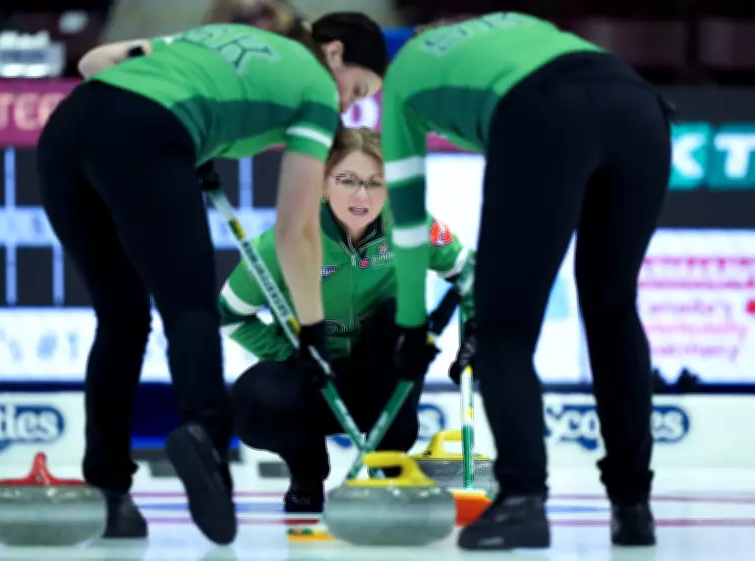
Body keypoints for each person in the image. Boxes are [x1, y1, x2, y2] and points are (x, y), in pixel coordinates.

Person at [36, 13, 387, 544]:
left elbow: (94, 62)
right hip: (150, 133)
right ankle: (205, 435)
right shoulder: (316, 91)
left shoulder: (229, 36)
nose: (347, 105)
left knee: (122, 319)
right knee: (190, 306)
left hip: (66, 130)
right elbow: (297, 231)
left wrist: (193, 141)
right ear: (334, 53)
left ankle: (110, 495)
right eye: (356, 89)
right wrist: (312, 331)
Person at [380, 13, 674, 550]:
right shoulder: (514, 25)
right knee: (612, 310)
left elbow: (407, 220)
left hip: (544, 108)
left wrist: (410, 323)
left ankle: (521, 501)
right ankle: (633, 507)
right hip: (639, 105)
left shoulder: (405, 72)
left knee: (503, 331)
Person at [218, 127, 476, 512]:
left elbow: (470, 276)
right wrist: (292, 352)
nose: (363, 195)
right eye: (348, 180)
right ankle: (306, 473)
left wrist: (475, 335)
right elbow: (229, 317)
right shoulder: (284, 242)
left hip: (382, 373)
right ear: (323, 184)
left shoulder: (411, 225)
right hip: (312, 380)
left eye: (376, 183)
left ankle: (390, 466)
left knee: (395, 319)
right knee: (253, 401)